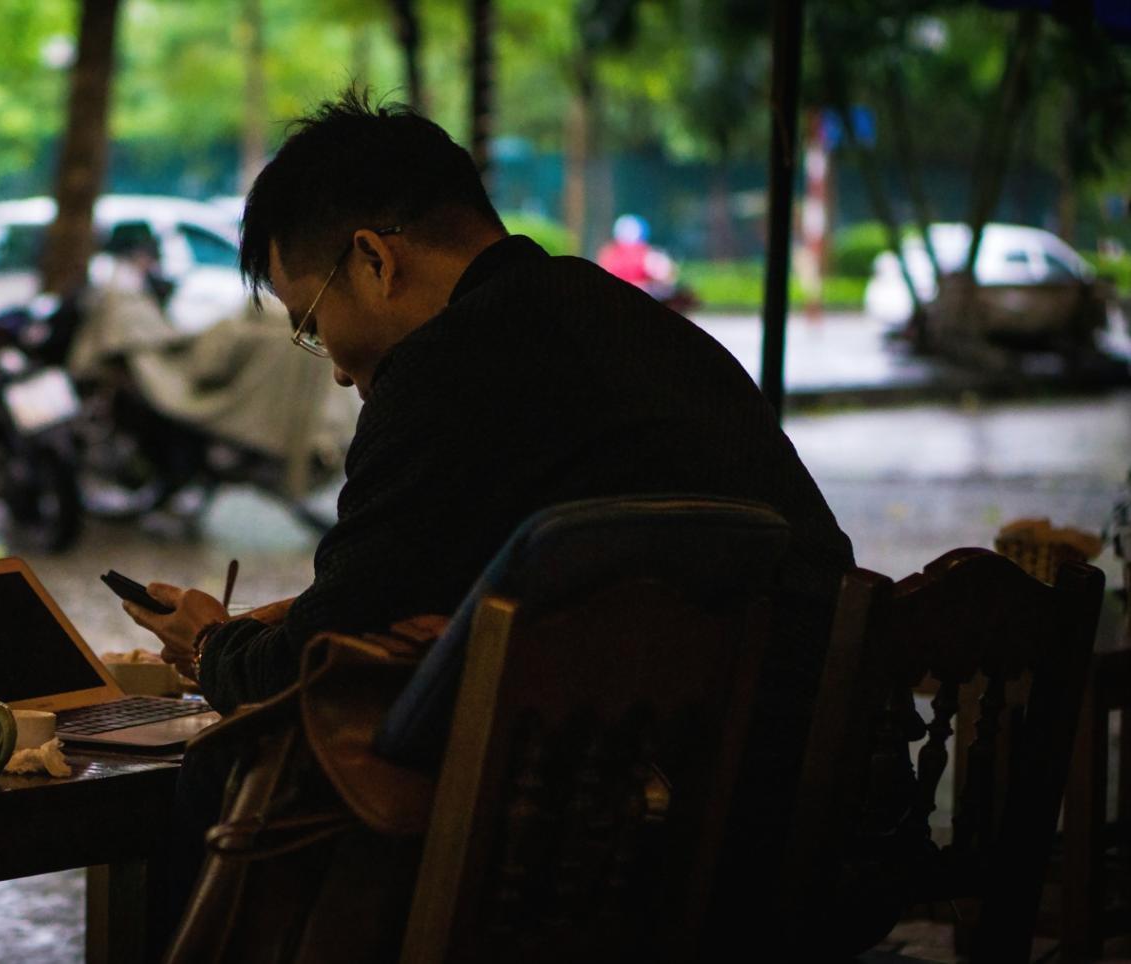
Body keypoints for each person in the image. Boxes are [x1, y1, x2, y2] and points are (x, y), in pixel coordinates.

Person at [123, 87, 855, 951]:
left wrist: (213, 645)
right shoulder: (630, 323)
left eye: (311, 325)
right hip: (812, 804)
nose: (332, 372)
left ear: (372, 261)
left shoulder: (443, 372)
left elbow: (308, 669)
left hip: (629, 840)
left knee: (231, 765)